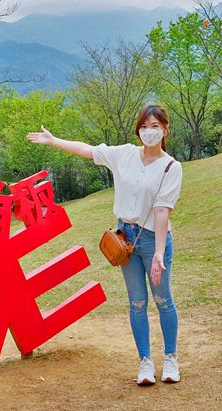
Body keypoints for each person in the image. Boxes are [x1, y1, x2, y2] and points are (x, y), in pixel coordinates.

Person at [26, 104, 183, 386]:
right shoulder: (124, 154)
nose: (149, 132)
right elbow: (88, 150)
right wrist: (54, 141)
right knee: (137, 302)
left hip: (152, 239)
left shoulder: (171, 167)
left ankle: (170, 358)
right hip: (123, 237)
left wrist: (159, 252)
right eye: (144, 127)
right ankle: (145, 362)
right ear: (138, 130)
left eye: (155, 126)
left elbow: (162, 211)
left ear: (165, 129)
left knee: (162, 299)